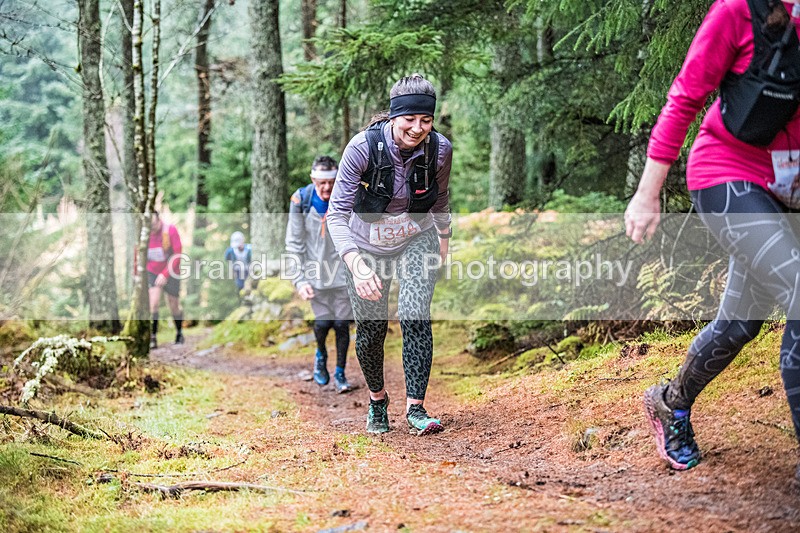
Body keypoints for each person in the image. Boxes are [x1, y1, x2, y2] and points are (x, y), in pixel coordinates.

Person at [625, 0, 800, 475]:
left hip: (790, 187)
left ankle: (670, 401)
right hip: (729, 173)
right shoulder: (737, 12)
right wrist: (647, 194)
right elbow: (685, 97)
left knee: (739, 324)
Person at [326, 74, 452, 435]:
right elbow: (336, 214)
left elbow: (441, 198)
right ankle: (378, 400)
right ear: (394, 116)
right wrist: (356, 264)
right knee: (371, 329)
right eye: (409, 119)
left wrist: (444, 237)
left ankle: (416, 408)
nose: (418, 128)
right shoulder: (362, 148)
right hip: (364, 246)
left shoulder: (439, 149)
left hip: (417, 237)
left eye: (426, 120)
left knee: (414, 312)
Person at [285, 155, 354, 394]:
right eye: (322, 183)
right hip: (315, 275)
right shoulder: (301, 201)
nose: (327, 188)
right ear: (313, 179)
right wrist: (299, 280)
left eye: (332, 182)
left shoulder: (348, 197)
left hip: (344, 274)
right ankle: (321, 355)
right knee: (323, 323)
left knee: (342, 324)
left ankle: (341, 372)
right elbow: (294, 244)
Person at [145, 211, 184, 348]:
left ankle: (179, 332)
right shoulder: (145, 234)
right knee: (153, 303)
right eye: (150, 225)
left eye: (154, 224)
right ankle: (153, 337)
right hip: (153, 271)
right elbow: (138, 253)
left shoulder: (169, 230)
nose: (152, 228)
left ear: (158, 220)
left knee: (173, 304)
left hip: (171, 271)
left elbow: (178, 254)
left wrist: (165, 274)